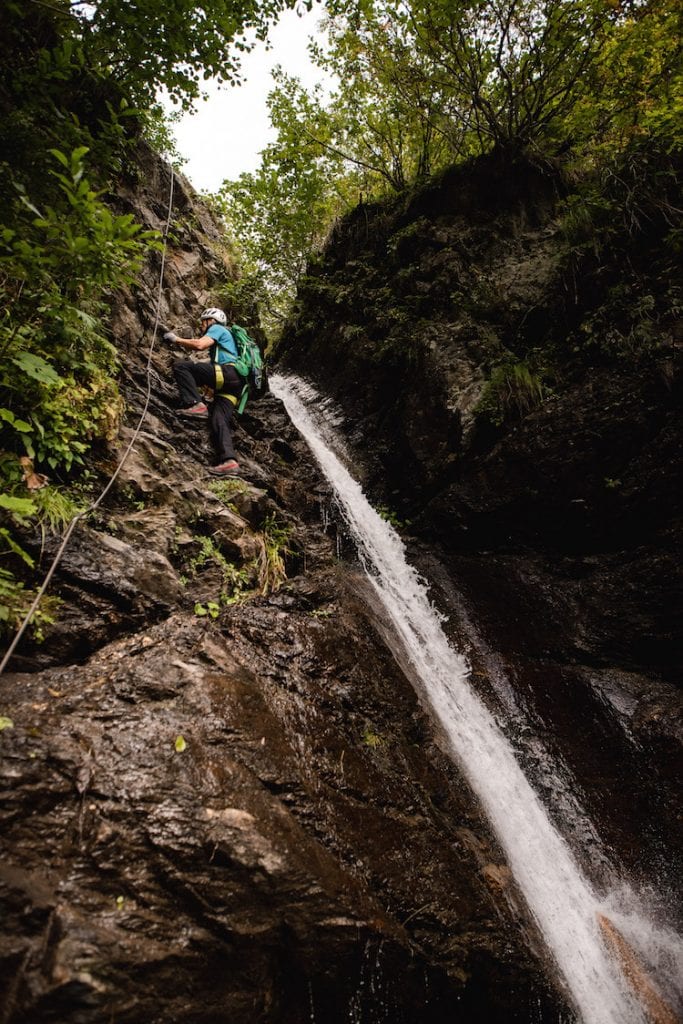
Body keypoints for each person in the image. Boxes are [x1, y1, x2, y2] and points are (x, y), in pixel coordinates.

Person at [163, 308, 242, 477]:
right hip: (234, 386)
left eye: (203, 322)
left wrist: (176, 339)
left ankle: (195, 404)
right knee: (218, 419)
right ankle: (230, 461)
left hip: (227, 373)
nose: (202, 325)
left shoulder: (217, 328)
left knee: (181, 366)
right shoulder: (230, 343)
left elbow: (200, 345)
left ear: (210, 320)